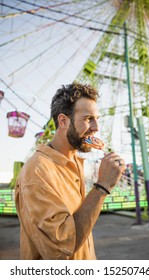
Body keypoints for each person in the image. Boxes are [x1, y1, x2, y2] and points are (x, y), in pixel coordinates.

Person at [15, 82, 126, 260]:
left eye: (97, 118)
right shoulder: (37, 171)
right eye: (88, 119)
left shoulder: (74, 162)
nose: (96, 127)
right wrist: (102, 186)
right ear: (63, 121)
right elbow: (61, 248)